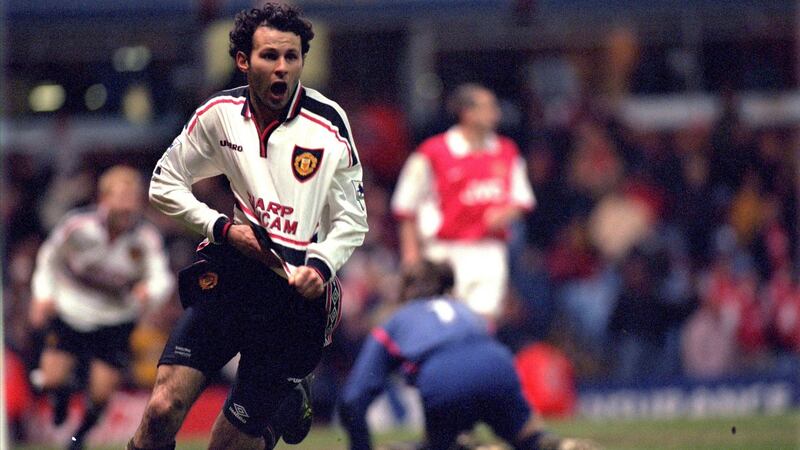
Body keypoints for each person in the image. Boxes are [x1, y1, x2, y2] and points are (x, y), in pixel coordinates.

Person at [128, 3, 368, 449]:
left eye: (291, 57)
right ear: (243, 61)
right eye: (269, 56)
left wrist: (321, 266)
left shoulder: (329, 123)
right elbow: (164, 185)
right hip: (235, 276)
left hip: (296, 298)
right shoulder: (219, 114)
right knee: (161, 409)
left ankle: (283, 403)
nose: (282, 68)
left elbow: (353, 219)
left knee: (227, 445)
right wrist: (221, 228)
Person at [338, 260, 596, 450]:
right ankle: (562, 446)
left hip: (443, 376)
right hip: (498, 363)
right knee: (527, 437)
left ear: (405, 293)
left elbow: (353, 399)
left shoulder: (394, 322)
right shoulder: (464, 310)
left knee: (441, 445)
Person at [29, 165, 174, 450]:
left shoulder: (146, 239)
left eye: (132, 198)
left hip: (115, 318)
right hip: (71, 310)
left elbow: (161, 277)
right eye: (120, 197)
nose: (126, 205)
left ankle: (78, 437)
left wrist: (150, 293)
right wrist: (42, 295)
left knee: (101, 395)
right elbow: (48, 258)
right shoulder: (77, 227)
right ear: (103, 199)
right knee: (51, 379)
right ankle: (61, 395)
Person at [391, 83, 535, 321]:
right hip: (444, 253)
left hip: (489, 251)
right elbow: (405, 207)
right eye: (488, 107)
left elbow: (523, 200)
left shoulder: (507, 151)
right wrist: (411, 257)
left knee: (484, 325)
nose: (495, 113)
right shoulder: (432, 152)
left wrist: (505, 214)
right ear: (467, 113)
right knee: (445, 323)